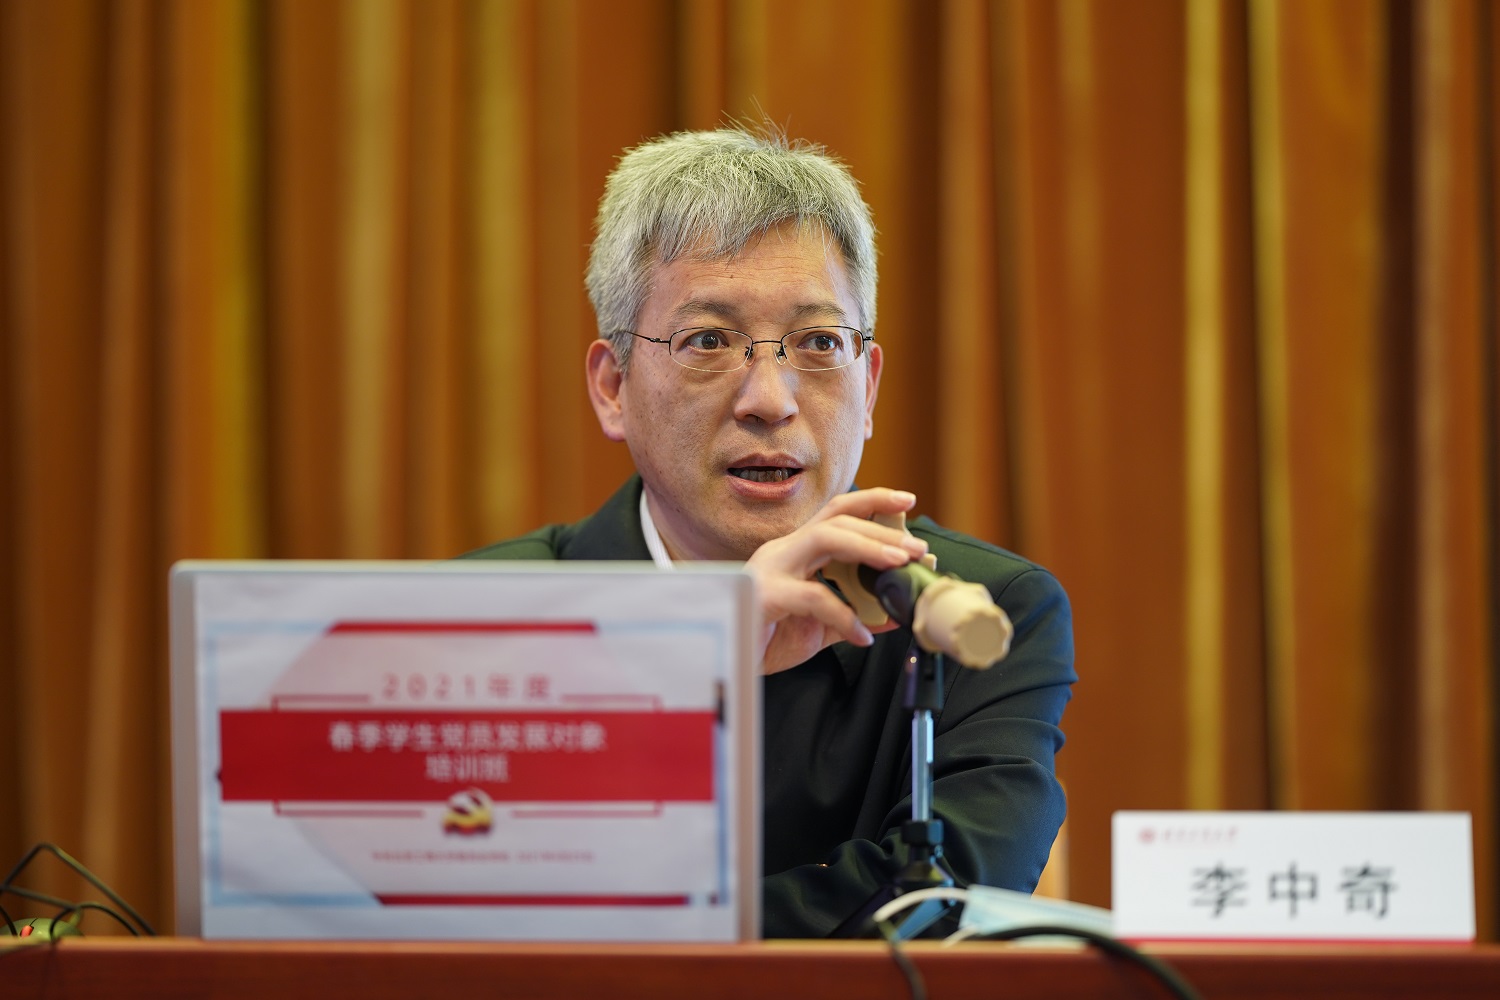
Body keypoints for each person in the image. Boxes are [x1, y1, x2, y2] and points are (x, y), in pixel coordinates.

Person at [463, 127, 1075, 937]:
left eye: (819, 343)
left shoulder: (978, 608)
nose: (770, 400)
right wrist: (699, 662)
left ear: (868, 386)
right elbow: (463, 908)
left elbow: (944, 905)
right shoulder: (481, 618)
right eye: (708, 341)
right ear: (613, 389)